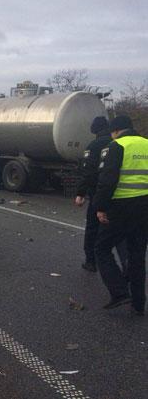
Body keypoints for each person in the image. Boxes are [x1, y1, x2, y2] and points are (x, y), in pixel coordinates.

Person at [93, 115, 148, 314]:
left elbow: (107, 181)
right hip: (144, 206)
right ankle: (139, 303)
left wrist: (100, 207)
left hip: (121, 207)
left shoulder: (116, 146)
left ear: (116, 131)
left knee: (101, 248)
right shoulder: (146, 144)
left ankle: (119, 292)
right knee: (137, 254)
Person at [74, 117, 128, 272]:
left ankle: (91, 261)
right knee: (120, 233)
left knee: (92, 229)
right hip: (123, 196)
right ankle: (127, 263)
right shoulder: (122, 144)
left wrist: (80, 193)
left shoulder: (95, 145)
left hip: (99, 195)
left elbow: (88, 172)